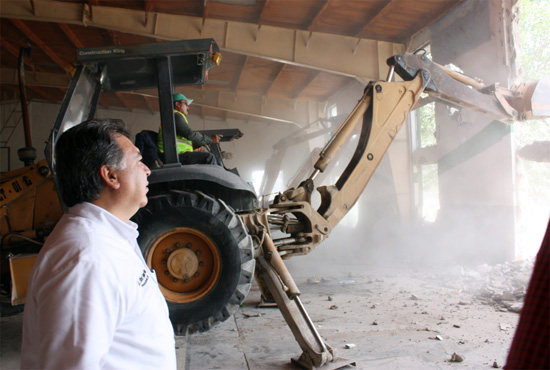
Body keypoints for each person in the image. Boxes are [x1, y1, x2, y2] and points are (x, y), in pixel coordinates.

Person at [21, 119, 176, 369]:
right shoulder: (86, 259)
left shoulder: (108, 237)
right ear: (111, 175)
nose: (147, 170)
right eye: (138, 161)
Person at [157, 93, 222, 165]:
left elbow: (185, 141)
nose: (188, 108)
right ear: (177, 104)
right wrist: (210, 140)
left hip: (176, 154)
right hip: (173, 156)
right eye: (186, 104)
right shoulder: (175, 115)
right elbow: (189, 134)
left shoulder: (174, 117)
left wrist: (200, 143)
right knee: (209, 158)